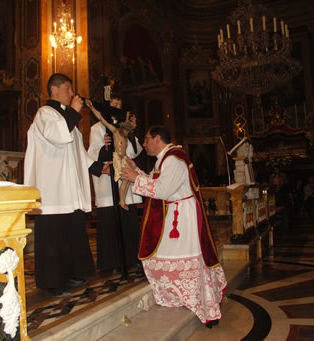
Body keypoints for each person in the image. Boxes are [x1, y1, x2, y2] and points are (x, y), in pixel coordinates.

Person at [121, 126, 227, 328]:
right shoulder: (166, 158)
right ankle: (180, 297)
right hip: (175, 214)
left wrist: (135, 179)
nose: (144, 144)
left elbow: (163, 189)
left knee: (177, 257)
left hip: (181, 218)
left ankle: (200, 305)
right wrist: (136, 171)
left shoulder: (174, 159)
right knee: (165, 257)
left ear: (157, 138)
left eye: (146, 139)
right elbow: (155, 180)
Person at [24, 73, 111, 296]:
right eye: (67, 88)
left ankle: (71, 274)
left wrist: (97, 167)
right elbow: (58, 137)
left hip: (69, 190)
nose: (72, 93)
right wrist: (73, 111)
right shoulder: (45, 114)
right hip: (53, 190)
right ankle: (53, 282)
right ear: (54, 90)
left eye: (71, 90)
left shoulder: (67, 120)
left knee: (71, 234)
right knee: (53, 238)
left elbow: (79, 153)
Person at [87, 94, 143, 274]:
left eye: (119, 104)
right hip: (108, 177)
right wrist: (105, 147)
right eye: (113, 104)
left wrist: (131, 132)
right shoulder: (97, 128)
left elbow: (134, 152)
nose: (117, 107)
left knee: (128, 221)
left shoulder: (124, 127)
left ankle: (131, 258)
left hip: (126, 175)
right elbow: (93, 153)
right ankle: (110, 262)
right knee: (110, 222)